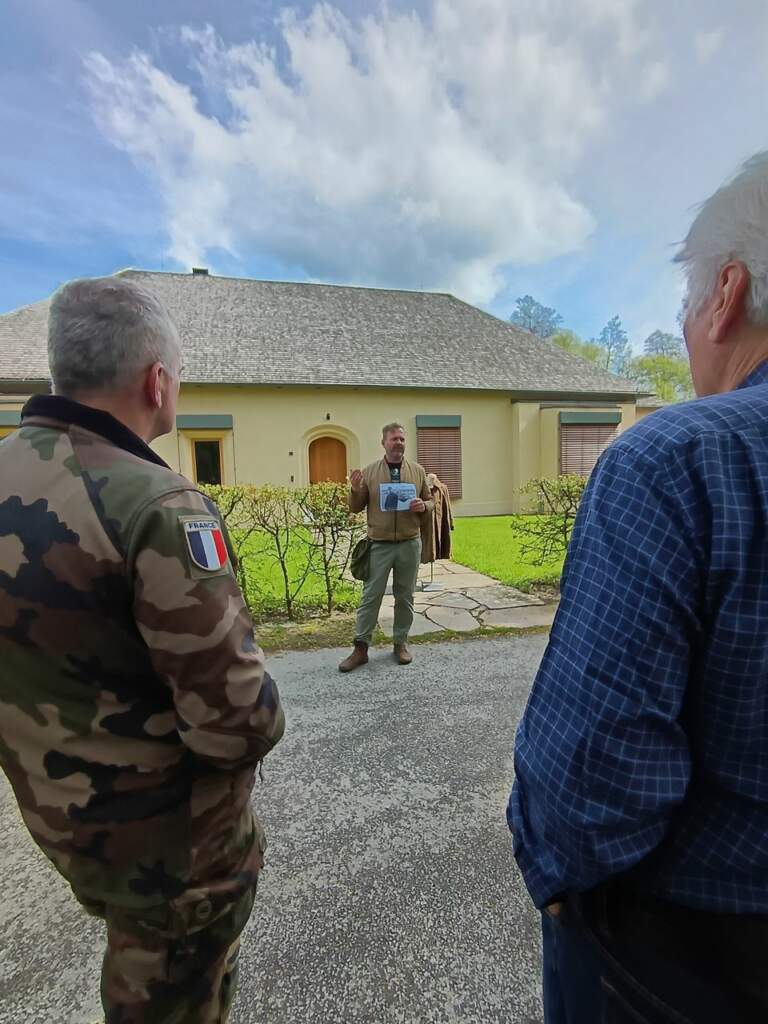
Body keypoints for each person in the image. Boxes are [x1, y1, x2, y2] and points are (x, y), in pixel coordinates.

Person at [508, 152, 768, 1023]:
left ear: (726, 294)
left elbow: (591, 781)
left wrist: (555, 876)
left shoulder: (678, 459)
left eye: (687, 305)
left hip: (686, 958)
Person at [0, 276, 285, 1024]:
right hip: (174, 853)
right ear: (158, 382)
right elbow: (236, 722)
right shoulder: (157, 504)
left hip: (64, 822)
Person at [339, 422, 433, 671]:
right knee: (371, 597)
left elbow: (430, 501)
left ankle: (400, 644)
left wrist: (424, 506)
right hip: (379, 545)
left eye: (402, 439)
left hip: (409, 544)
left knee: (405, 597)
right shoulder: (370, 472)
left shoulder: (418, 471)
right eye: (394, 439)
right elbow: (355, 507)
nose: (398, 443)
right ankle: (360, 649)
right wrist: (355, 489)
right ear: (383, 443)